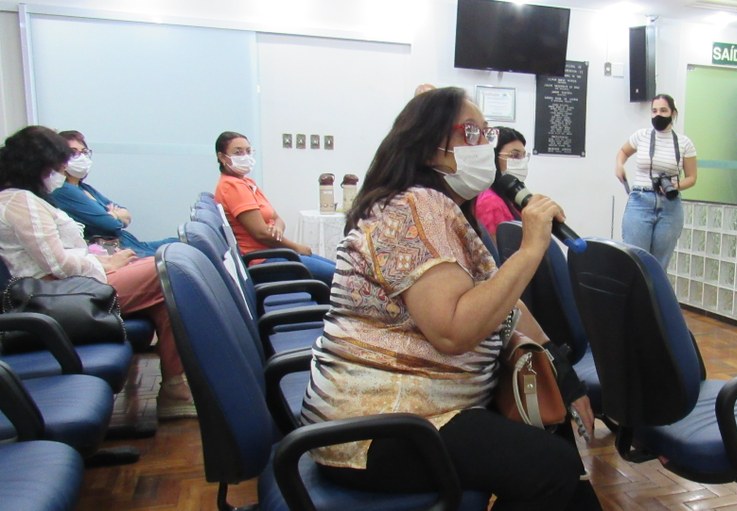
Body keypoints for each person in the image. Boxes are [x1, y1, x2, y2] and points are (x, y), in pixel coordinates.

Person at [300, 87, 596, 510]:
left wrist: (561, 372)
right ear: (427, 147)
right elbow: (453, 331)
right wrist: (531, 249)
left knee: (557, 448)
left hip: (418, 408)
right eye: (469, 132)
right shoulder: (413, 208)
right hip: (380, 426)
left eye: (486, 133)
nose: (484, 146)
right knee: (552, 468)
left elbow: (504, 305)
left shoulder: (437, 208)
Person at [0, 126, 195, 420]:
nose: (62, 172)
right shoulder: (21, 202)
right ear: (37, 165)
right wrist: (106, 265)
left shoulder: (23, 199)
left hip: (69, 287)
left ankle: (175, 388)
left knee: (165, 296)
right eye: (57, 166)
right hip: (58, 296)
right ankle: (178, 388)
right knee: (171, 268)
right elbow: (58, 264)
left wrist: (103, 261)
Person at [213, 131, 336, 286]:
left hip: (276, 252)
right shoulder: (232, 186)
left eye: (248, 151)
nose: (245, 156)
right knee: (341, 278)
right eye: (238, 152)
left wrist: (277, 229)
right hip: (263, 260)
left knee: (342, 271)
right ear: (222, 157)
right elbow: (261, 234)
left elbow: (277, 219)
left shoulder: (247, 183)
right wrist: (296, 247)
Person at [49, 130, 177, 258]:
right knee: (174, 256)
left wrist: (112, 215)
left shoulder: (84, 188)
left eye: (84, 152)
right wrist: (114, 215)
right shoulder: (64, 190)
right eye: (73, 152)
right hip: (112, 251)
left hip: (129, 243)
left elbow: (126, 215)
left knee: (179, 243)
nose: (81, 157)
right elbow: (110, 225)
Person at [615, 93, 698, 270]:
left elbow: (692, 178)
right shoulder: (641, 136)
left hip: (670, 204)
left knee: (658, 266)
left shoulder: (684, 143)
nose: (658, 114)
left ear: (673, 113)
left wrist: (676, 185)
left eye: (663, 110)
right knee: (635, 261)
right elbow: (623, 152)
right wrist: (619, 165)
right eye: (654, 111)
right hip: (640, 200)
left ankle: (655, 290)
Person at [475, 127, 530, 244]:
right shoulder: (490, 203)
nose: (522, 162)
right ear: (493, 157)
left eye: (524, 156)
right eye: (514, 155)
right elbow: (499, 252)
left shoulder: (510, 195)